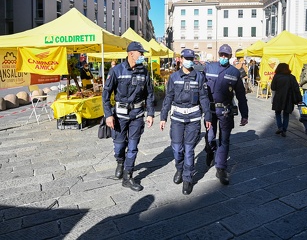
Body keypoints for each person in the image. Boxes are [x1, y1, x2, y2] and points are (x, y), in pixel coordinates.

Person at [102, 41, 154, 192]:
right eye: (141, 53)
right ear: (131, 53)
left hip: (137, 115)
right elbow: (105, 95)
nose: (143, 56)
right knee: (119, 145)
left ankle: (128, 176)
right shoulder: (116, 71)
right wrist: (108, 115)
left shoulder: (144, 72)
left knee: (133, 146)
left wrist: (150, 113)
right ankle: (120, 162)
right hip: (120, 116)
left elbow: (150, 94)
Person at [160, 49, 212, 195]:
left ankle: (188, 178)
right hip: (177, 118)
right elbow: (168, 97)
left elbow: (204, 98)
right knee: (177, 148)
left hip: (193, 118)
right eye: (186, 58)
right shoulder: (174, 77)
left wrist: (207, 117)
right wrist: (163, 117)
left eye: (191, 58)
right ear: (181, 59)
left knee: (189, 149)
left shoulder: (199, 77)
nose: (189, 60)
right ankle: (179, 168)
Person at [203, 44, 249, 185]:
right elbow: (200, 90)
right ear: (218, 54)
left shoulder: (235, 73)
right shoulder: (209, 68)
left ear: (230, 56)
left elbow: (241, 95)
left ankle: (221, 168)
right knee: (210, 138)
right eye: (221, 54)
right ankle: (210, 150)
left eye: (226, 55)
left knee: (224, 140)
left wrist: (244, 114)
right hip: (210, 111)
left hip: (225, 111)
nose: (223, 57)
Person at [271, 63, 302, 137]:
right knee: (286, 114)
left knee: (277, 113)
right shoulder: (292, 77)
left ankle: (280, 127)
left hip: (278, 97)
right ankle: (284, 129)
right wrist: (299, 99)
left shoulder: (276, 76)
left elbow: (273, 88)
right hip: (289, 98)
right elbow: (296, 89)